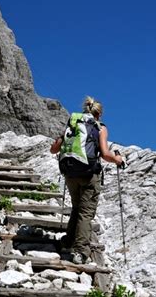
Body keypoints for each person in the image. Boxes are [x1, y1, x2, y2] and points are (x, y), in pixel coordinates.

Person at [50, 96, 124, 264]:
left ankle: (68, 241)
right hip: (89, 175)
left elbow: (53, 149)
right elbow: (105, 154)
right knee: (85, 213)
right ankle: (80, 252)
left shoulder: (73, 124)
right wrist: (118, 160)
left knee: (76, 208)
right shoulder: (100, 127)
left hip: (70, 174)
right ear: (99, 114)